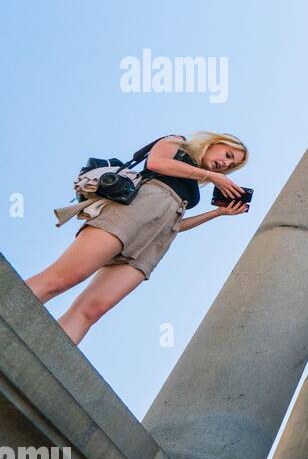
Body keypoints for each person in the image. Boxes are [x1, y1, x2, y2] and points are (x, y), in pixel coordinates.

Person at [27, 132, 250, 344]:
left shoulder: (193, 188)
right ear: (214, 142)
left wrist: (218, 213)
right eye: (227, 155)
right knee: (61, 279)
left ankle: (40, 363)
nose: (225, 164)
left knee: (92, 311)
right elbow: (156, 163)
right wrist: (211, 176)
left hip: (155, 242)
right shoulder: (177, 142)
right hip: (129, 214)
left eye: (231, 166)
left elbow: (175, 225)